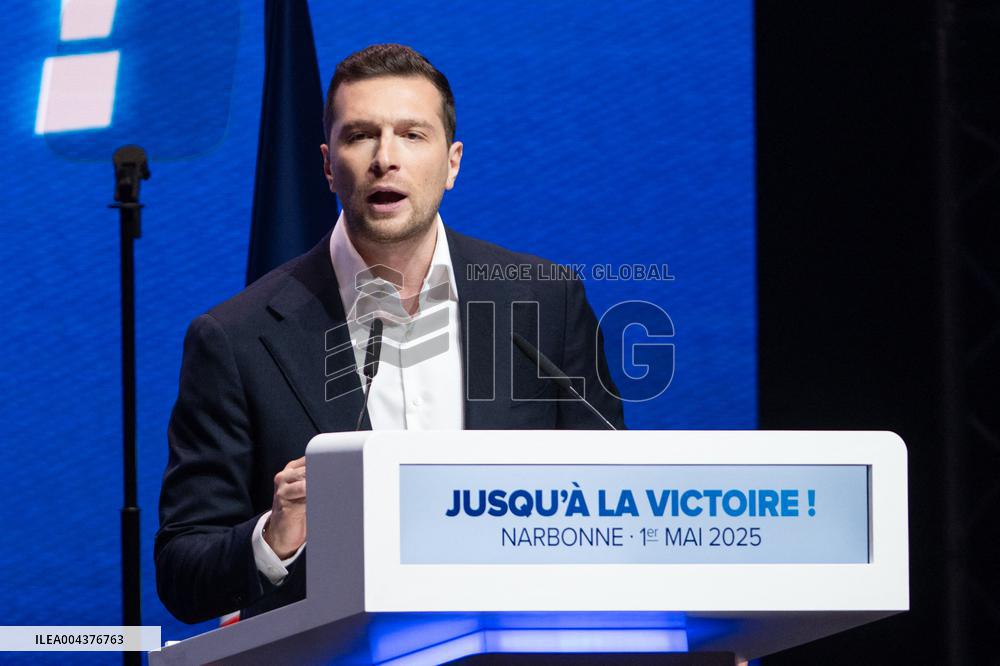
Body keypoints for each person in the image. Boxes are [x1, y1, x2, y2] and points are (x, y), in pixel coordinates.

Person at [155, 43, 625, 624]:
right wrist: (274, 536)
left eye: (412, 134)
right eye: (360, 136)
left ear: (452, 163)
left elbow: (611, 512)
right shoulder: (235, 337)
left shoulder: (545, 305)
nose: (385, 158)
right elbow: (182, 570)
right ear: (328, 164)